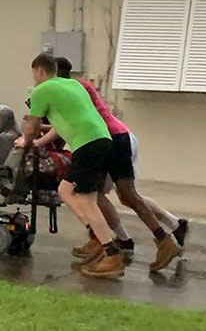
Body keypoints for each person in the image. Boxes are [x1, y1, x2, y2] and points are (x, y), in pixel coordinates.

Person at [54, 57, 188, 271]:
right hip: (117, 135)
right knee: (125, 195)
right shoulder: (79, 85)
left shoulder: (70, 89)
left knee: (97, 194)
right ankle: (163, 237)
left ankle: (111, 242)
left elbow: (79, 119)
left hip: (108, 139)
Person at [23, 53, 124, 279]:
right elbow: (62, 123)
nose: (34, 78)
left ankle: (111, 253)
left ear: (39, 70)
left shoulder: (41, 90)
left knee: (87, 200)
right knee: (65, 190)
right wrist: (39, 141)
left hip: (87, 144)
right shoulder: (72, 86)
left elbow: (31, 125)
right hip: (101, 140)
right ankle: (97, 236)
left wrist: (27, 143)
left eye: (33, 73)